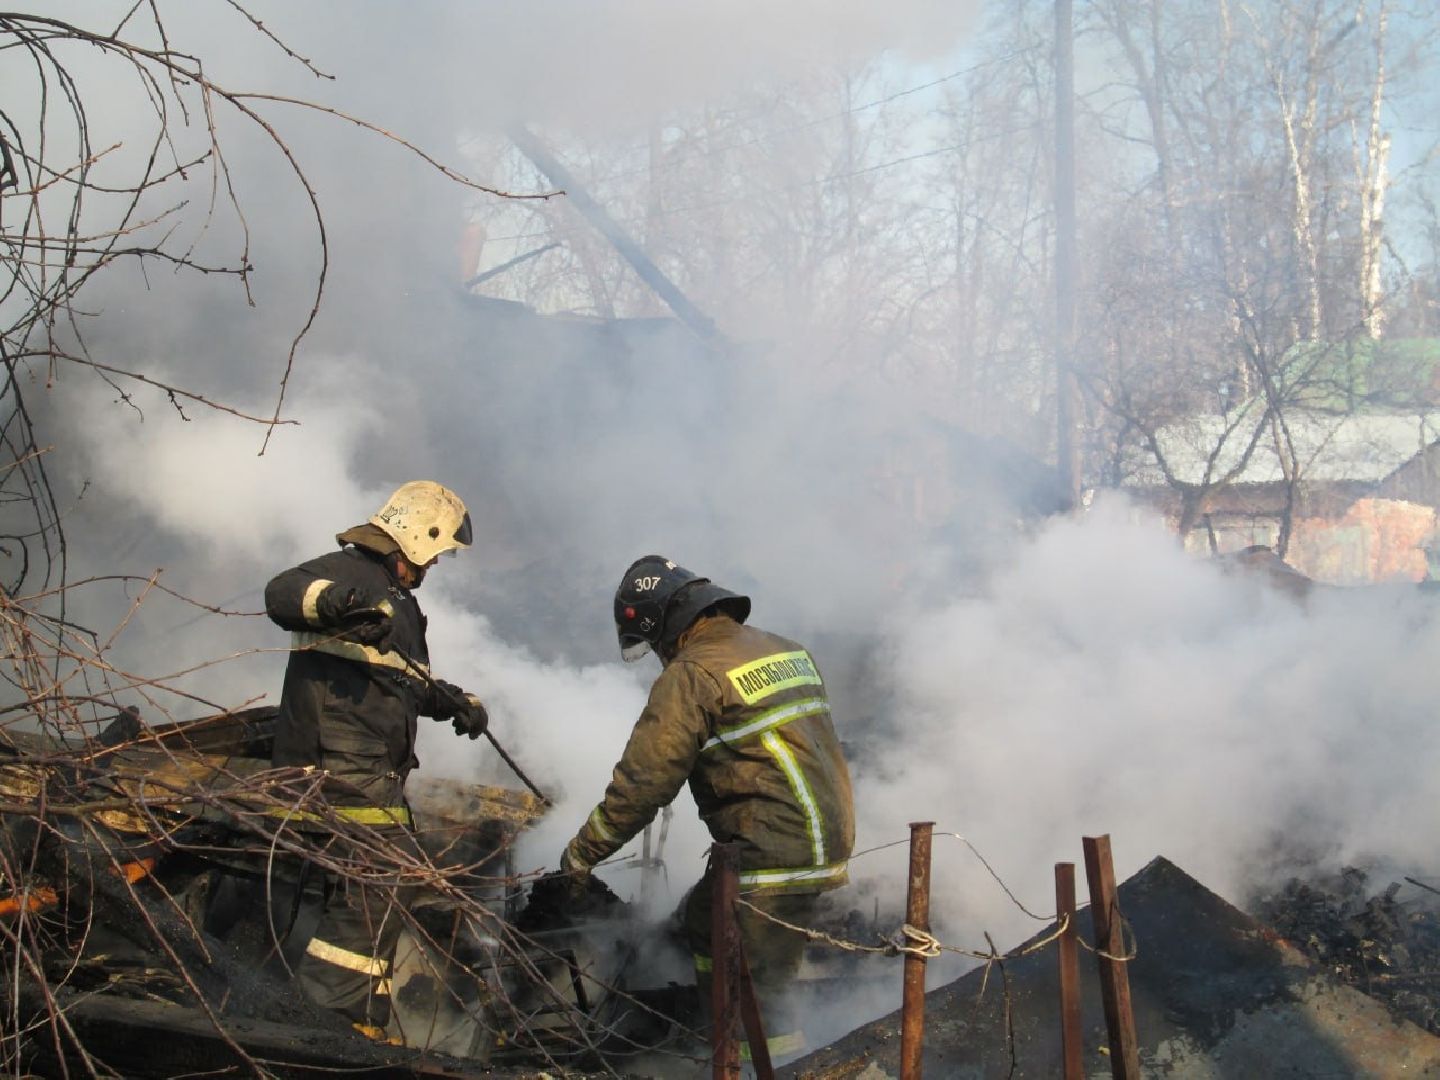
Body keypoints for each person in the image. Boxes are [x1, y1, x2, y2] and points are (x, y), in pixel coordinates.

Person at [549, 554, 855, 1061]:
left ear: (664, 625)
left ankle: (763, 1059)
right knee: (701, 921)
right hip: (824, 836)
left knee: (759, 998)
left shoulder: (692, 673)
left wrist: (582, 855)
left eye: (654, 644)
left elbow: (643, 783)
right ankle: (713, 1026)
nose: (659, 655)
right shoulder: (783, 648)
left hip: (771, 851)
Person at [263, 480, 490, 1037]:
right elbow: (280, 592)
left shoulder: (401, 604)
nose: (435, 564)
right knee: (385, 877)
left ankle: (366, 1022)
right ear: (414, 536)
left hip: (372, 776)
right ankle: (327, 1020)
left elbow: (403, 683)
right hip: (333, 771)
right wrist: (346, 603)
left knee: (392, 881)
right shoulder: (350, 575)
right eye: (435, 551)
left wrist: (455, 702)